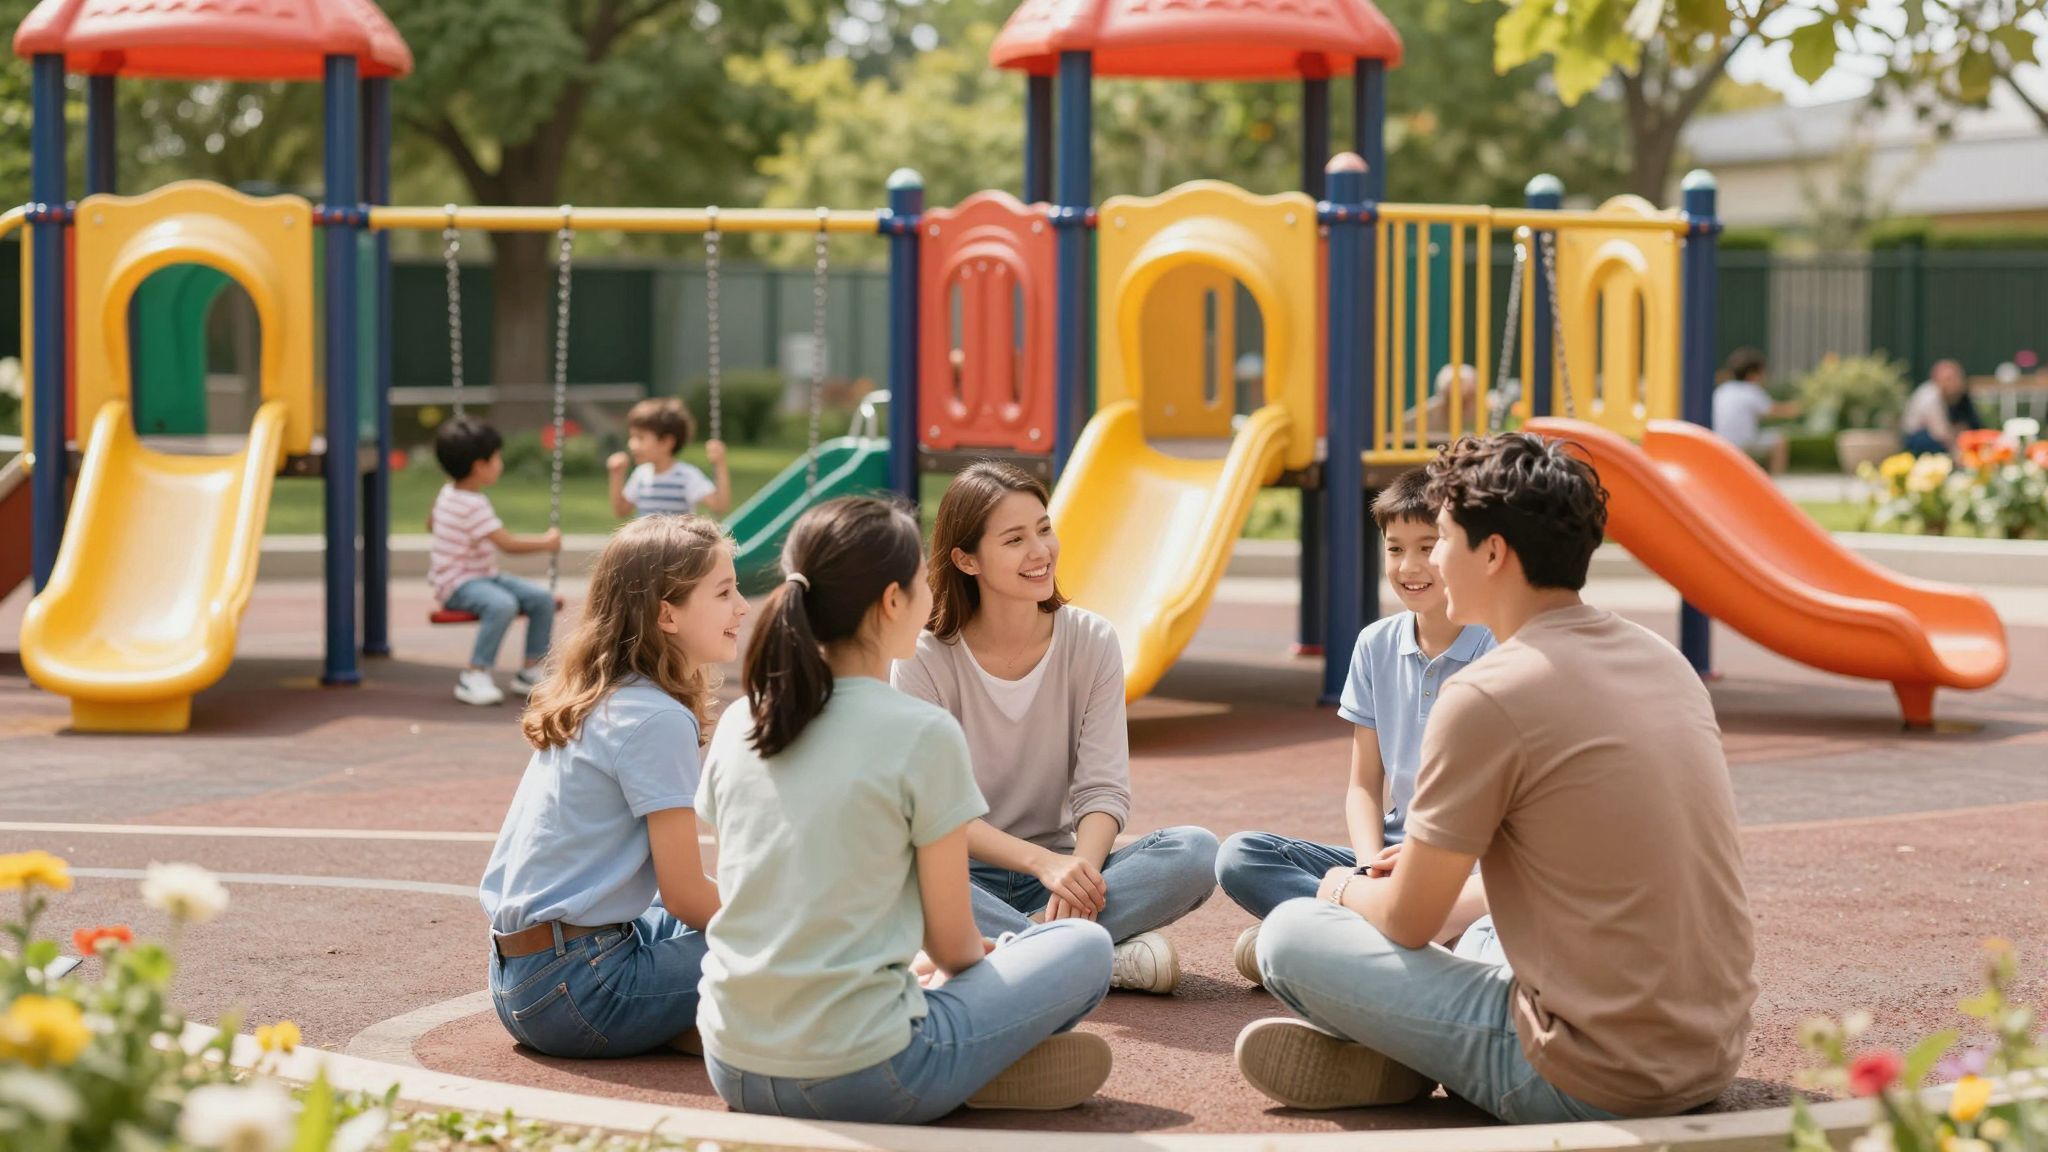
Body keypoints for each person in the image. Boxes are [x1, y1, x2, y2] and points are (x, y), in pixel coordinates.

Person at [1234, 433, 1757, 1125]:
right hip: (1710, 1053)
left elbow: (1411, 921)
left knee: (1291, 934)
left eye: (1443, 536)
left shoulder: (1486, 694)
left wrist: (1340, 887)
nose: (1432, 560)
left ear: (1493, 552)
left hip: (1589, 1076)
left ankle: (1406, 1053)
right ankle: (1403, 1052)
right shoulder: (1662, 661)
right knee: (1483, 931)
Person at [698, 497, 1115, 1123]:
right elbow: (952, 947)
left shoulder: (742, 720)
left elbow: (747, 894)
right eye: (922, 580)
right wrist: (976, 961)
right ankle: (978, 1066)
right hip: (868, 1074)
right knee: (1084, 947)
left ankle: (976, 1059)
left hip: (731, 1063)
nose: (930, 595)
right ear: (893, 601)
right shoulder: (919, 733)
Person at [893, 462, 1218, 996]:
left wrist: (1079, 873)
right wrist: (1042, 863)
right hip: (960, 877)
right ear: (966, 558)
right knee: (898, 874)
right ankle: (1089, 954)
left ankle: (1033, 949)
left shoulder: (1091, 640)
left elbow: (1103, 788)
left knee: (1197, 852)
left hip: (1067, 872)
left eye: (1044, 528)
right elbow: (928, 812)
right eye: (1015, 539)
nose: (1040, 551)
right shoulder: (923, 656)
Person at [1216, 469, 1495, 986]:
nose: (1410, 566)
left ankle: (1331, 941)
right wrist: (1369, 867)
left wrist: (1419, 866)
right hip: (1387, 856)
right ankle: (1374, 937)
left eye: (1429, 547)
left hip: (1469, 864)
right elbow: (1363, 785)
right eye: (1394, 549)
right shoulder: (1375, 644)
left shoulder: (1499, 649)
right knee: (1240, 856)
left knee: (1498, 907)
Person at [478, 515, 744, 1058]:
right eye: (724, 592)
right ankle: (707, 1026)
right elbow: (687, 894)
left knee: (729, 908)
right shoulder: (657, 718)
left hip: (518, 980)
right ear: (667, 613)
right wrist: (788, 938)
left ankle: (683, 1023)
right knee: (784, 951)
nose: (742, 606)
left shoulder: (602, 694)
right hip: (581, 990)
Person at [429, 417, 563, 706]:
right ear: (480, 466)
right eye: (497, 458)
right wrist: (547, 542)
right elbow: (508, 544)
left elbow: (430, 523)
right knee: (502, 604)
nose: (500, 463)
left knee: (542, 599)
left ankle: (531, 670)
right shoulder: (473, 504)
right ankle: (474, 674)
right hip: (457, 585)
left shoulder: (448, 492)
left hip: (483, 576)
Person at [607, 397, 731, 518]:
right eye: (631, 437)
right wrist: (617, 475)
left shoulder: (686, 476)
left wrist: (720, 464)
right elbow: (621, 511)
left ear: (666, 442)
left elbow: (719, 506)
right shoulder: (641, 475)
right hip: (646, 539)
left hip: (676, 539)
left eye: (640, 438)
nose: (632, 444)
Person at [1712, 347, 1800, 474]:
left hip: (1720, 441)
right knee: (1780, 441)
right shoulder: (1751, 390)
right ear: (1753, 374)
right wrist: (1796, 408)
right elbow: (1772, 411)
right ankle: (1775, 482)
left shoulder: (1722, 390)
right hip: (1744, 443)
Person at [1902, 359, 1984, 457]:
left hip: (1947, 433)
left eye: (1957, 378)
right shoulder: (1930, 397)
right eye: (1948, 379)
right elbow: (1941, 433)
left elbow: (1974, 425)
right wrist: (1958, 454)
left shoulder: (1961, 396)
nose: (1954, 383)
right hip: (1919, 437)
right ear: (1937, 381)